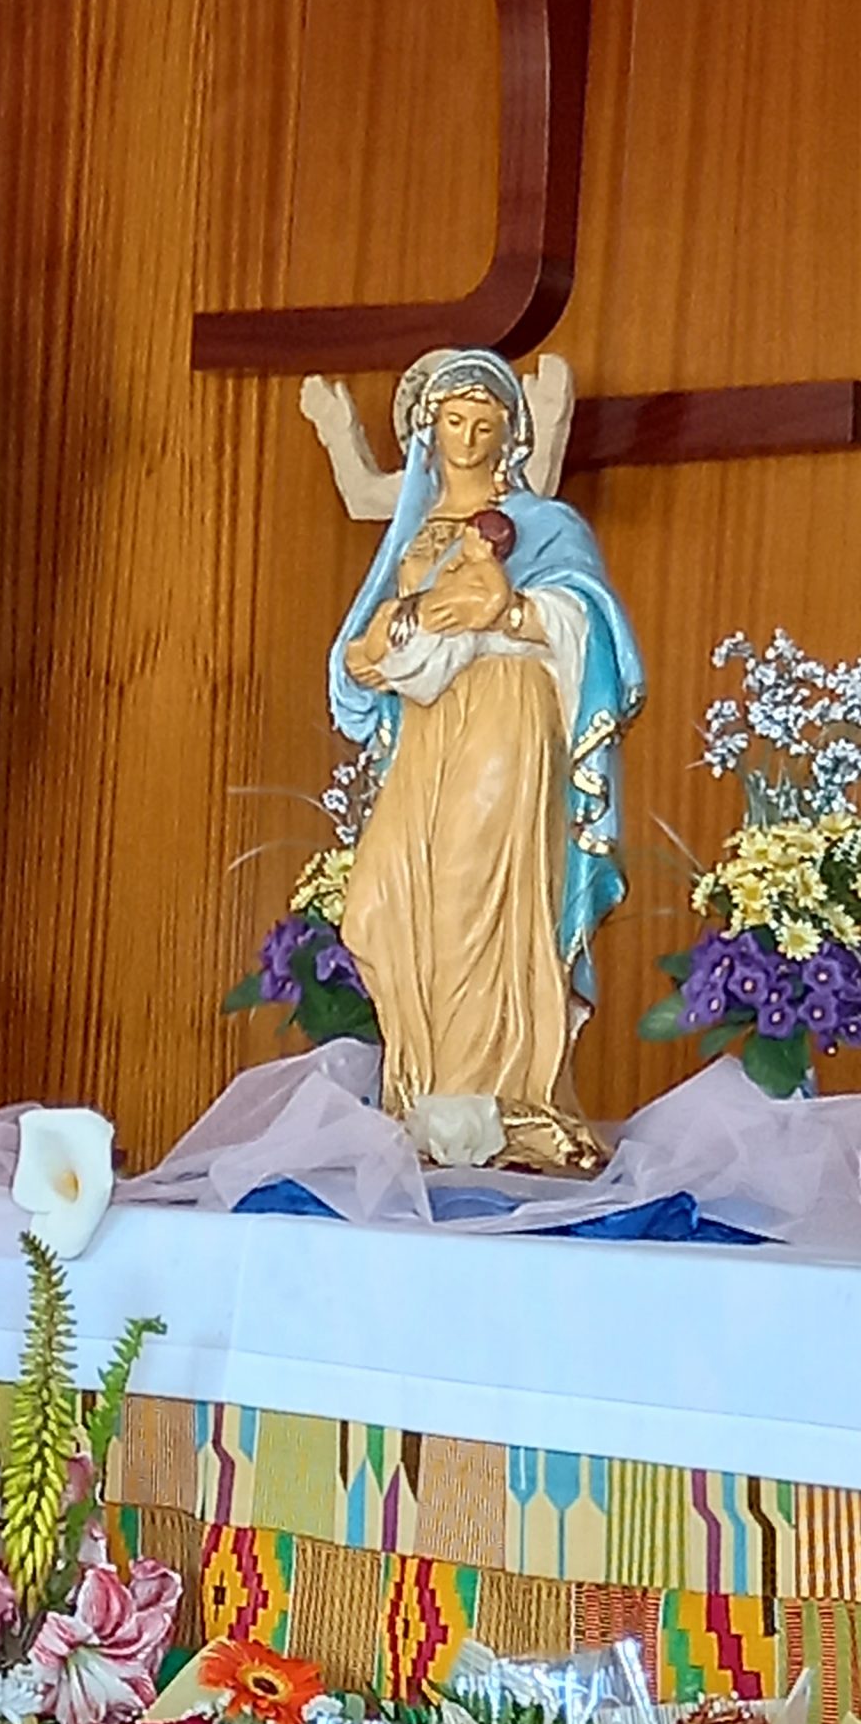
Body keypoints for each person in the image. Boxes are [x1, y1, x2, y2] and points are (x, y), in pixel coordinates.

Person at [329, 348, 645, 1170]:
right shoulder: (414, 530)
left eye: (484, 423)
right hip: (426, 730)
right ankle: (420, 1095)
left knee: (478, 898)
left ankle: (497, 1105)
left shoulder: (545, 526)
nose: (467, 438)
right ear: (427, 431)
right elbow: (372, 641)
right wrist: (373, 656)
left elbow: (592, 627)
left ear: (511, 435)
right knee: (375, 908)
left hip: (506, 715)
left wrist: (503, 615)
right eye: (452, 421)